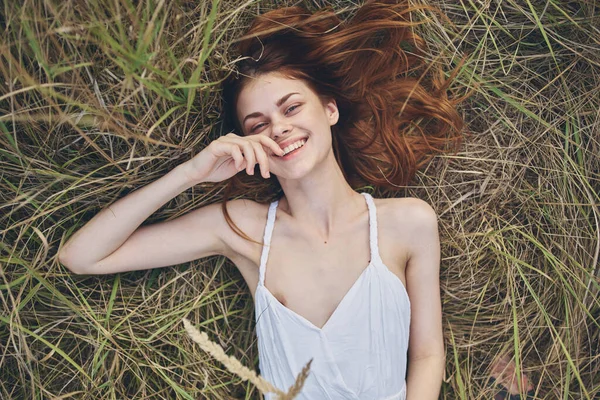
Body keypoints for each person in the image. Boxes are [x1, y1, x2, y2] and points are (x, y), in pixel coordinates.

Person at [58, 0, 531, 399]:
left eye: (291, 107)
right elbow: (81, 256)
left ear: (329, 110)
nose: (278, 128)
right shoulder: (239, 228)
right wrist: (190, 173)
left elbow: (428, 355)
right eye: (257, 125)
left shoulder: (407, 222)